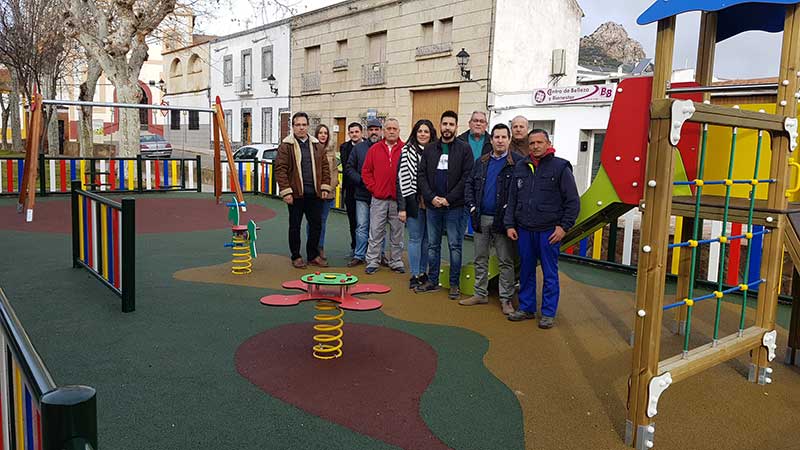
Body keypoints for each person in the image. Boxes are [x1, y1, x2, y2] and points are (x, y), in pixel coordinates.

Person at [504, 129, 579, 329]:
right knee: (526, 271)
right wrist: (510, 224)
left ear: (548, 143)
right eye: (532, 143)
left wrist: (564, 227)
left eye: (539, 142)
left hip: (549, 231)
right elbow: (513, 198)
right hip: (525, 229)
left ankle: (547, 313)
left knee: (549, 273)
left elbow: (573, 201)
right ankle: (527, 308)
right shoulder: (521, 166)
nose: (535, 146)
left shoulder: (560, 167)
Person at [461, 123, 521, 315]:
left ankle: (506, 299)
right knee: (480, 257)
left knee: (505, 260)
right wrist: (471, 207)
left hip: (503, 221)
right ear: (491, 140)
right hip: (481, 217)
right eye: (497, 137)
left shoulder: (517, 163)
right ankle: (480, 293)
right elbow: (469, 184)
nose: (500, 141)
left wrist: (511, 217)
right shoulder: (482, 162)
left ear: (509, 140)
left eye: (504, 137)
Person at [415, 110, 474, 299]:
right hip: (433, 207)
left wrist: (449, 198)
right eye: (444, 124)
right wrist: (431, 197)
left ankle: (454, 284)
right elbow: (421, 175)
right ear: (440, 126)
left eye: (451, 124)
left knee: (455, 245)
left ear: (456, 127)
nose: (447, 128)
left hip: (455, 207)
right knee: (433, 245)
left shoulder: (465, 149)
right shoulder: (430, 149)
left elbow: (467, 177)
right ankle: (432, 280)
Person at [275, 112, 332, 269]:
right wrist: (286, 191)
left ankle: (313, 255)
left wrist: (325, 187)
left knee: (316, 225)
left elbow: (325, 168)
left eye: (304, 124)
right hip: (295, 195)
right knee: (295, 226)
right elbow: (280, 170)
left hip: (314, 194)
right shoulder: (286, 146)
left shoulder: (316, 145)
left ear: (308, 126)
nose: (301, 127)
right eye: (298, 125)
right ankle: (296, 256)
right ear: (293, 126)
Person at [362, 118, 405, 274]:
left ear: (399, 131)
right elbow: (366, 172)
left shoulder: (405, 149)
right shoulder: (374, 149)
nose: (392, 131)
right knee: (376, 231)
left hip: (398, 200)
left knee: (397, 233)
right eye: (388, 128)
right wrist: (374, 188)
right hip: (378, 199)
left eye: (394, 128)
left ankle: (396, 261)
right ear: (383, 131)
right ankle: (373, 261)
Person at [397, 119, 437, 289]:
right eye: (420, 131)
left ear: (431, 134)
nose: (423, 134)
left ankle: (423, 272)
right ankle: (414, 274)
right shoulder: (406, 151)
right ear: (415, 133)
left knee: (428, 240)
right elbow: (399, 181)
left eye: (426, 131)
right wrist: (402, 208)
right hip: (412, 200)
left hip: (431, 202)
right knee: (415, 239)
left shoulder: (437, 151)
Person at [345, 118, 382, 267]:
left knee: (378, 227)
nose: (374, 132)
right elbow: (349, 168)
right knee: (361, 226)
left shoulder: (385, 147)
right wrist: (361, 181)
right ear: (367, 131)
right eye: (371, 129)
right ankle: (359, 254)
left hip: (380, 195)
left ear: (380, 130)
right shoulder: (359, 148)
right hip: (361, 194)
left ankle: (378, 254)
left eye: (376, 129)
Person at [307, 124, 337, 261]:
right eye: (320, 133)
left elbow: (334, 173)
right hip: (313, 193)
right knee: (312, 221)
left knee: (322, 221)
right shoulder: (310, 149)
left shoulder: (331, 152)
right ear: (316, 134)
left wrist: (329, 188)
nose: (323, 135)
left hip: (327, 193)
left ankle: (320, 246)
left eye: (325, 133)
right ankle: (311, 247)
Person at [339, 122, 364, 255]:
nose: (354, 134)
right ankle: (355, 247)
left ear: (361, 132)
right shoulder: (344, 147)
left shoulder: (369, 146)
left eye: (356, 132)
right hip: (350, 190)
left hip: (366, 190)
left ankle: (368, 249)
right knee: (353, 221)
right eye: (351, 132)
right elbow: (347, 167)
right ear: (349, 134)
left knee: (366, 222)